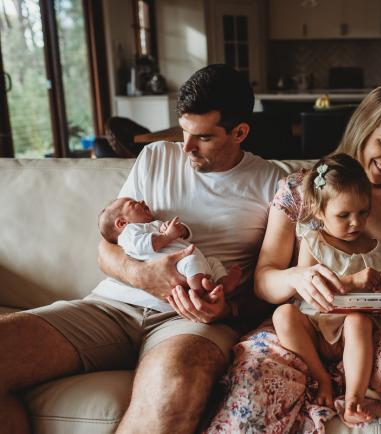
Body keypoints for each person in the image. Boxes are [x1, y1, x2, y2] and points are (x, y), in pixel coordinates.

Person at [0, 64, 283, 434]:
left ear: (240, 132)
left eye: (203, 137)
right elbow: (106, 250)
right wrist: (141, 275)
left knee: (174, 389)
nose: (186, 147)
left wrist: (228, 307)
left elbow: (271, 284)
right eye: (183, 132)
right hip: (112, 305)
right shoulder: (154, 158)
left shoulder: (273, 183)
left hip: (191, 322)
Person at [206, 85, 381, 432]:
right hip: (304, 327)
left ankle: (353, 392)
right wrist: (296, 277)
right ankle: (320, 381)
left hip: (364, 333)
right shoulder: (299, 189)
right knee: (254, 388)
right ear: (361, 130)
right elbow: (263, 281)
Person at [273, 154, 381, 424]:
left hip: (351, 335)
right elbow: (310, 289)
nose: (355, 223)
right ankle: (322, 379)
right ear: (320, 212)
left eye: (363, 212)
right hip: (314, 326)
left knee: (358, 320)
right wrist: (353, 282)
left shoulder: (377, 248)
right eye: (344, 215)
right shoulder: (313, 241)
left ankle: (354, 398)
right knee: (283, 315)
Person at [98, 197, 241, 296]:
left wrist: (180, 230)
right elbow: (144, 246)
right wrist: (167, 236)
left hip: (193, 258)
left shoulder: (152, 224)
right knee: (191, 264)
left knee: (213, 261)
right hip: (178, 265)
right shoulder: (129, 233)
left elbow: (181, 234)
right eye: (133, 203)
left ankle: (223, 283)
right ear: (122, 223)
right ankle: (199, 293)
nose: (141, 201)